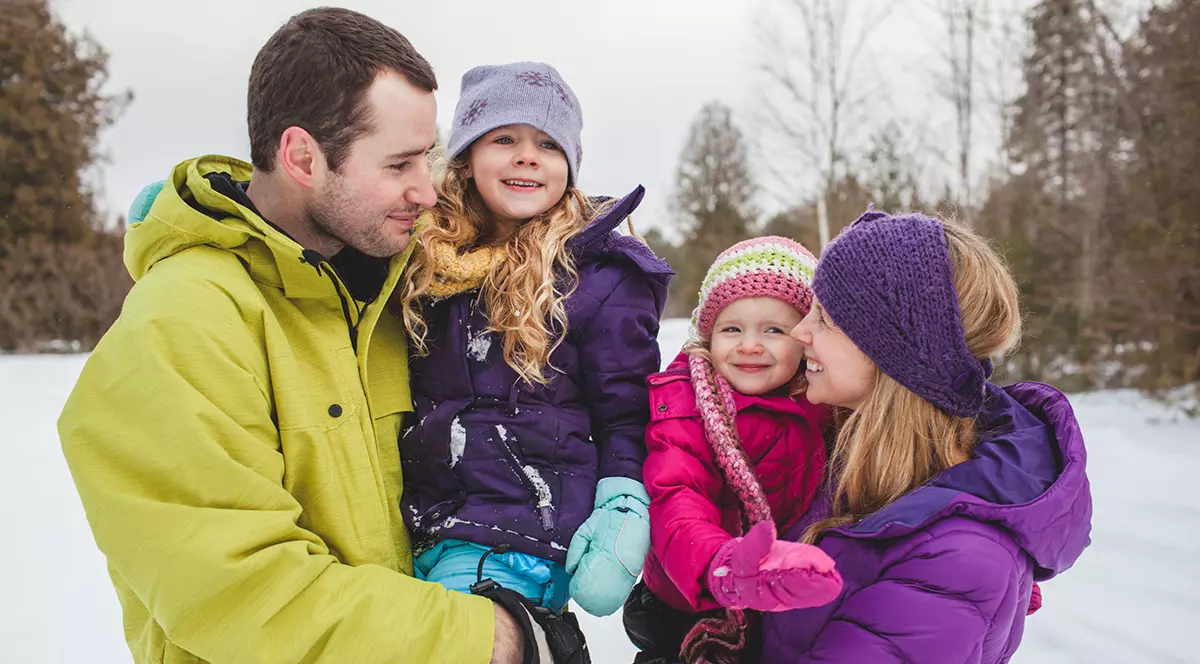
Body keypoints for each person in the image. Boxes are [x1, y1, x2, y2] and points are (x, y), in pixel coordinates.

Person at [58, 9, 527, 663]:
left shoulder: (406, 296)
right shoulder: (178, 327)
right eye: (399, 164)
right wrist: (491, 641)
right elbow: (248, 595)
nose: (426, 190)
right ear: (303, 156)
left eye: (428, 156)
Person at [395, 62, 672, 655]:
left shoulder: (596, 276)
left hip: (519, 531)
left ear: (569, 164)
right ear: (466, 155)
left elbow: (626, 410)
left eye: (548, 144)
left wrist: (623, 501)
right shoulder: (422, 260)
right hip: (415, 521)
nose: (528, 157)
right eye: (505, 139)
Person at [759, 209, 1093, 662]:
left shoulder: (959, 559)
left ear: (895, 355)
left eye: (827, 318)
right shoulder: (847, 451)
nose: (800, 331)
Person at [621, 237, 843, 664]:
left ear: (805, 338)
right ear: (708, 333)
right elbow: (678, 500)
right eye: (732, 329)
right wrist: (722, 565)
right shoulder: (689, 404)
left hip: (780, 598)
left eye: (773, 330)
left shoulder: (819, 400)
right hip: (692, 602)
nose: (749, 346)